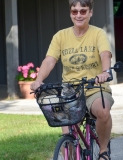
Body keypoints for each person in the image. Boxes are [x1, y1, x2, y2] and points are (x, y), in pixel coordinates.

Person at [30, 0, 113, 159]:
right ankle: (70, 145)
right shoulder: (60, 36)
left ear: (90, 12)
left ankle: (103, 151)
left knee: (103, 110)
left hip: (95, 88)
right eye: (74, 11)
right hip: (69, 92)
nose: (79, 15)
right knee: (68, 145)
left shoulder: (98, 34)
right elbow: (50, 60)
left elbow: (105, 55)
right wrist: (38, 80)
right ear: (70, 13)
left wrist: (105, 72)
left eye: (83, 11)